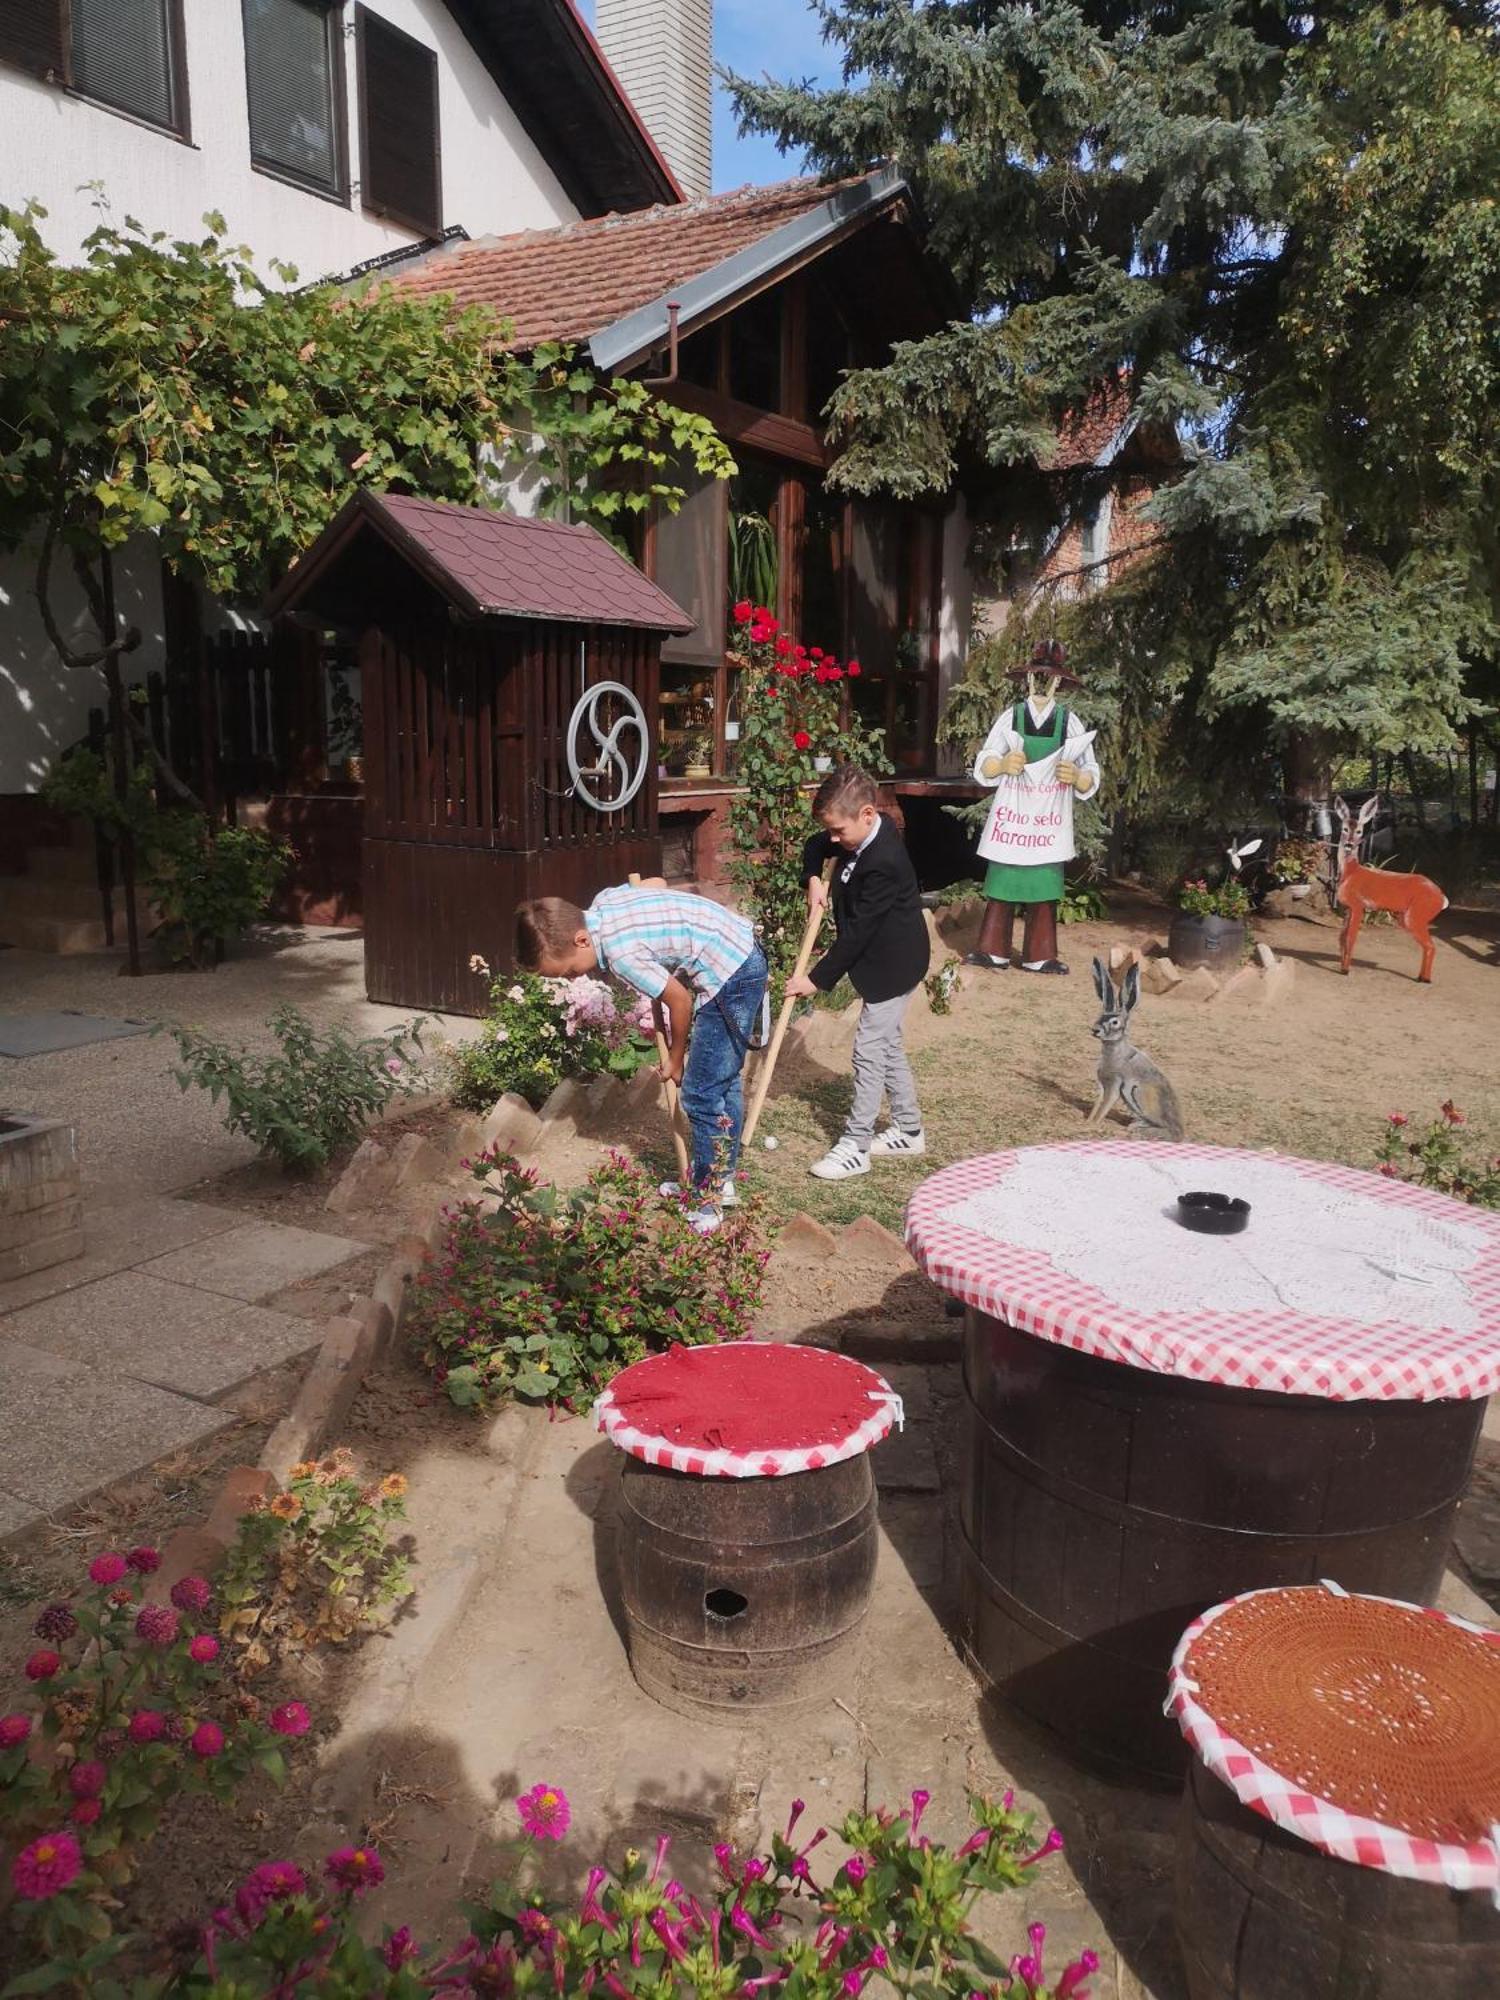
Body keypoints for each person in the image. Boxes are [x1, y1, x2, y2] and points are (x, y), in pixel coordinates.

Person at [513, 882, 767, 1232]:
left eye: (571, 971)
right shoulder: (602, 902)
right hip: (739, 948)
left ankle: (708, 1200)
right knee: (721, 1083)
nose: (575, 977)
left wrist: (676, 1058)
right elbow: (650, 885)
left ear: (582, 940)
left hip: (731, 973)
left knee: (701, 1093)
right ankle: (720, 1179)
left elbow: (680, 1001)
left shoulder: (621, 954)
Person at [784, 764, 930, 1181]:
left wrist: (814, 979)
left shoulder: (884, 859)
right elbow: (816, 844)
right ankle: (908, 1129)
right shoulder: (857, 835)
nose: (833, 840)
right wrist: (813, 878)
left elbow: (860, 934)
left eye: (839, 832)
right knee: (887, 1044)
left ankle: (856, 1144)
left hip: (894, 963)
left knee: (868, 1048)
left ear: (867, 815)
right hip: (882, 957)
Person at [967, 638, 1101, 975]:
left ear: (1059, 683)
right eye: (1036, 676)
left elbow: (1091, 770)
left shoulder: (1069, 722)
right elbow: (984, 760)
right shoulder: (1010, 717)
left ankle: (1040, 954)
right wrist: (1000, 765)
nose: (1042, 683)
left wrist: (1078, 777)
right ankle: (992, 949)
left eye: (1049, 678)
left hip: (1046, 821)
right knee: (1002, 881)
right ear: (1027, 680)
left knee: (1043, 885)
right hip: (1013, 817)